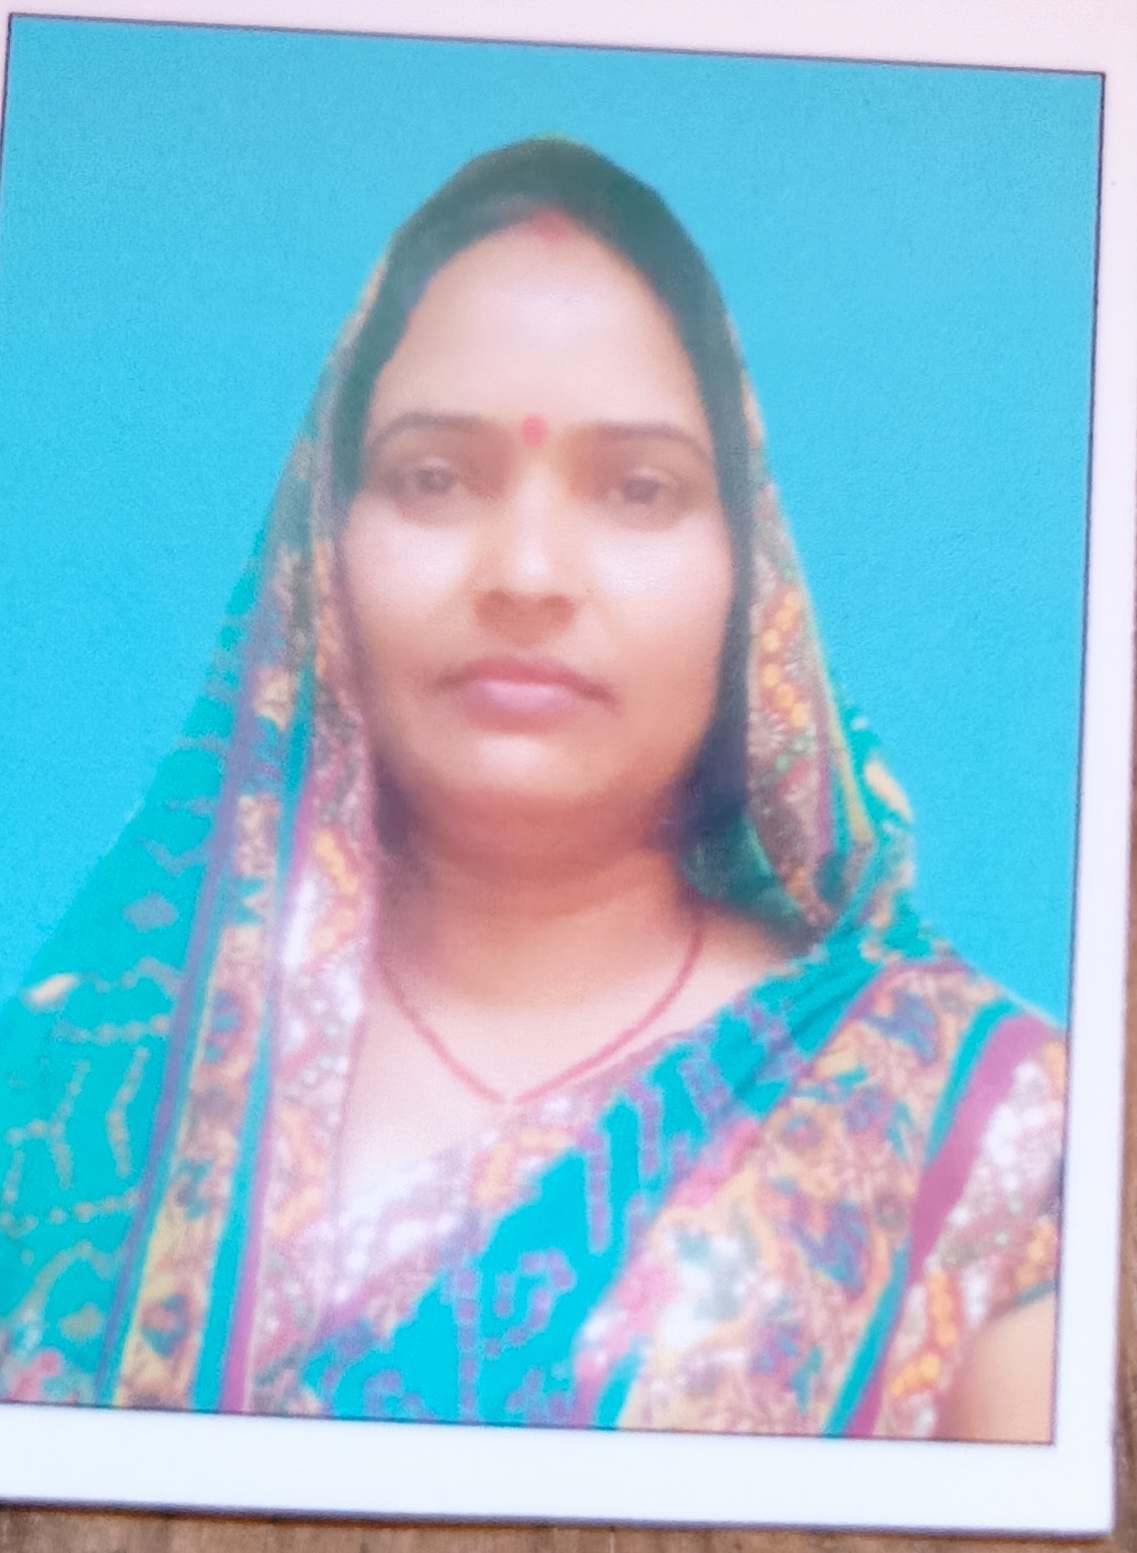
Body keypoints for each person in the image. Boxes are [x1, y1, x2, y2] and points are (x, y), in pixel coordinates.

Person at [0, 138, 1063, 1439]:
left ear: (752, 580)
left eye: (639, 488)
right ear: (319, 545)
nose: (528, 572)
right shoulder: (62, 1084)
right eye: (435, 477)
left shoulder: (969, 1123)